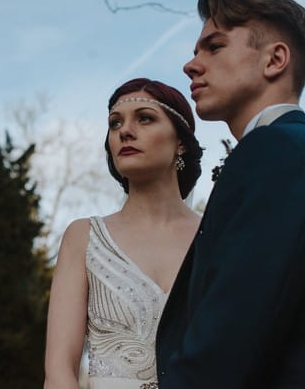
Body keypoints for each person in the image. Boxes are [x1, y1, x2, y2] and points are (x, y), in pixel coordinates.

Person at [155, 0, 305, 388]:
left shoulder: (276, 153)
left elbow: (228, 342)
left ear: (275, 60)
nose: (190, 65)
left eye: (214, 47)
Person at [43, 78, 203, 389]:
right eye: (115, 123)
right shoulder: (83, 237)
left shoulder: (215, 234)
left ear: (181, 141)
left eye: (145, 118)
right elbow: (59, 370)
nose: (124, 131)